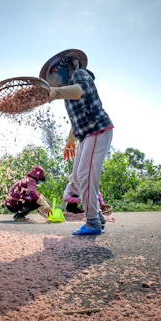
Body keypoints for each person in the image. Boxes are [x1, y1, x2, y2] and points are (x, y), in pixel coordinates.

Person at [40, 49, 113, 235]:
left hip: (97, 129)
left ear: (67, 64)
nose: (54, 74)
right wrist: (70, 141)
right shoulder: (67, 91)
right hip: (84, 135)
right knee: (76, 178)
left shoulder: (80, 75)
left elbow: (79, 91)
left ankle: (93, 222)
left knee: (85, 174)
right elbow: (76, 119)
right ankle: (97, 213)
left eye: (55, 69)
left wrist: (55, 92)